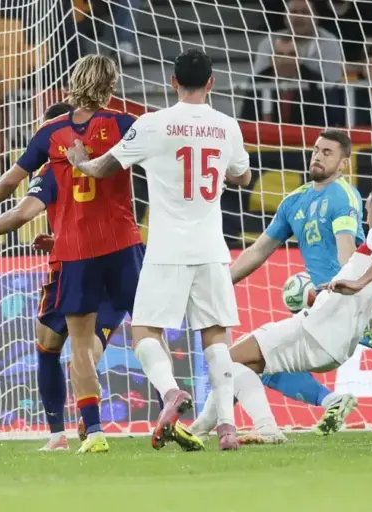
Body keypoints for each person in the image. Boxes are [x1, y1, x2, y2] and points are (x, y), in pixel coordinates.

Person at [0, 102, 203, 453]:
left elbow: (23, 212)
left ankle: (65, 432)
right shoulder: (112, 152)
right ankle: (168, 408)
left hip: (74, 266)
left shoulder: (52, 168)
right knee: (142, 334)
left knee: (54, 347)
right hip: (120, 256)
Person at [66, 49, 252, 451]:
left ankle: (170, 392)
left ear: (172, 82)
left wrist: (80, 161)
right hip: (211, 247)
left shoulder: (153, 124)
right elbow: (243, 176)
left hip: (167, 248)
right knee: (216, 336)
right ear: (211, 83)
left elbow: (103, 169)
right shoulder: (227, 125)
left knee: (145, 331)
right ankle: (227, 427)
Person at [0, 55, 145, 454]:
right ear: (111, 85)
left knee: (74, 347)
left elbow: (14, 192)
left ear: (72, 84)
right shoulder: (127, 124)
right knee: (149, 330)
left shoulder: (51, 137)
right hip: (123, 245)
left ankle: (88, 431)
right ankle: (171, 411)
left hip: (77, 253)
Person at [196, 185, 372, 434]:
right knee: (249, 363)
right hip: (340, 348)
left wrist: (359, 283)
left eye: (367, 212)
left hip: (319, 325)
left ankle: (266, 428)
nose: (366, 220)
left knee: (225, 361)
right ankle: (201, 429)